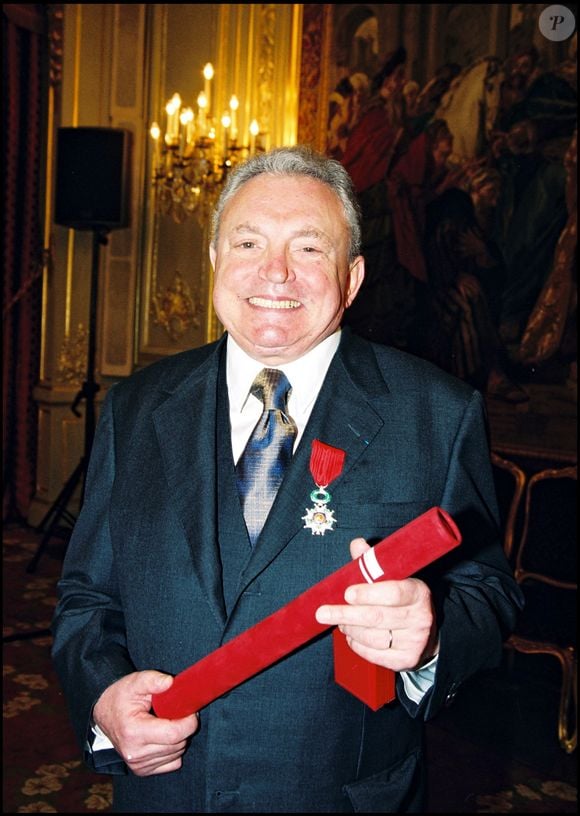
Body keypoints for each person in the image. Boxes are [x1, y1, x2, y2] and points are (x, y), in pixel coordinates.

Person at [51, 145, 523, 813]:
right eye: (248, 242)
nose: (274, 272)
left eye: (308, 247)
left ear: (352, 278)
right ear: (215, 259)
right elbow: (85, 598)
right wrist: (103, 696)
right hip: (166, 792)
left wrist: (434, 637)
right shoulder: (136, 408)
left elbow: (488, 593)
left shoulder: (439, 413)